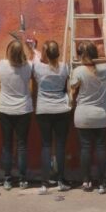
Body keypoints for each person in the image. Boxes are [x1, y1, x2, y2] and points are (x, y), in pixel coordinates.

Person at [70, 41, 106, 194]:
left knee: (85, 148)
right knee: (101, 147)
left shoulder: (78, 71)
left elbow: (72, 88)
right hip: (101, 115)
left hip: (83, 114)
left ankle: (86, 181)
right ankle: (102, 183)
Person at [32, 39, 72, 194]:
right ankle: (61, 180)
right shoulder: (64, 68)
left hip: (44, 110)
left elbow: (35, 59)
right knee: (60, 145)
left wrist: (34, 50)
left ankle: (44, 182)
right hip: (61, 109)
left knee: (46, 145)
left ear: (45, 54)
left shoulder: (39, 68)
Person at [0, 39, 34, 190]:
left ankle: (7, 178)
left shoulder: (1, 65)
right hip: (23, 109)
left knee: (7, 145)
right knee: (22, 145)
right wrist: (32, 49)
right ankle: (23, 179)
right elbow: (33, 62)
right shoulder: (29, 67)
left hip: (5, 108)